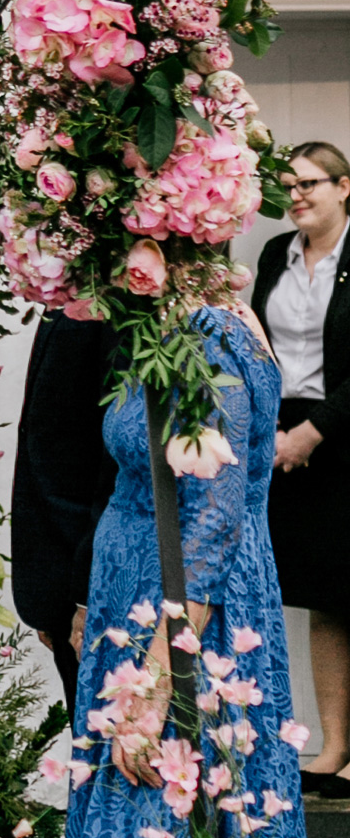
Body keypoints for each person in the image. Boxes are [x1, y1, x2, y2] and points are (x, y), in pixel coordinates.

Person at [65, 301, 304, 838]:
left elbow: (215, 518)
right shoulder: (165, 325)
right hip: (137, 602)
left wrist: (155, 679)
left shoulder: (210, 336)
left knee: (160, 799)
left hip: (181, 618)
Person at [253, 141, 350, 796]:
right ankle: (335, 745)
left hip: (344, 432)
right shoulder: (273, 254)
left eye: (310, 182)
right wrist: (275, 431)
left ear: (345, 187)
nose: (298, 195)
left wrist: (316, 430)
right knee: (325, 593)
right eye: (288, 185)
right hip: (285, 440)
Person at [10, 312, 119, 709]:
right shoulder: (69, 290)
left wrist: (85, 596)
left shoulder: (116, 304)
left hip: (90, 569)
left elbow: (115, 460)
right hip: (58, 566)